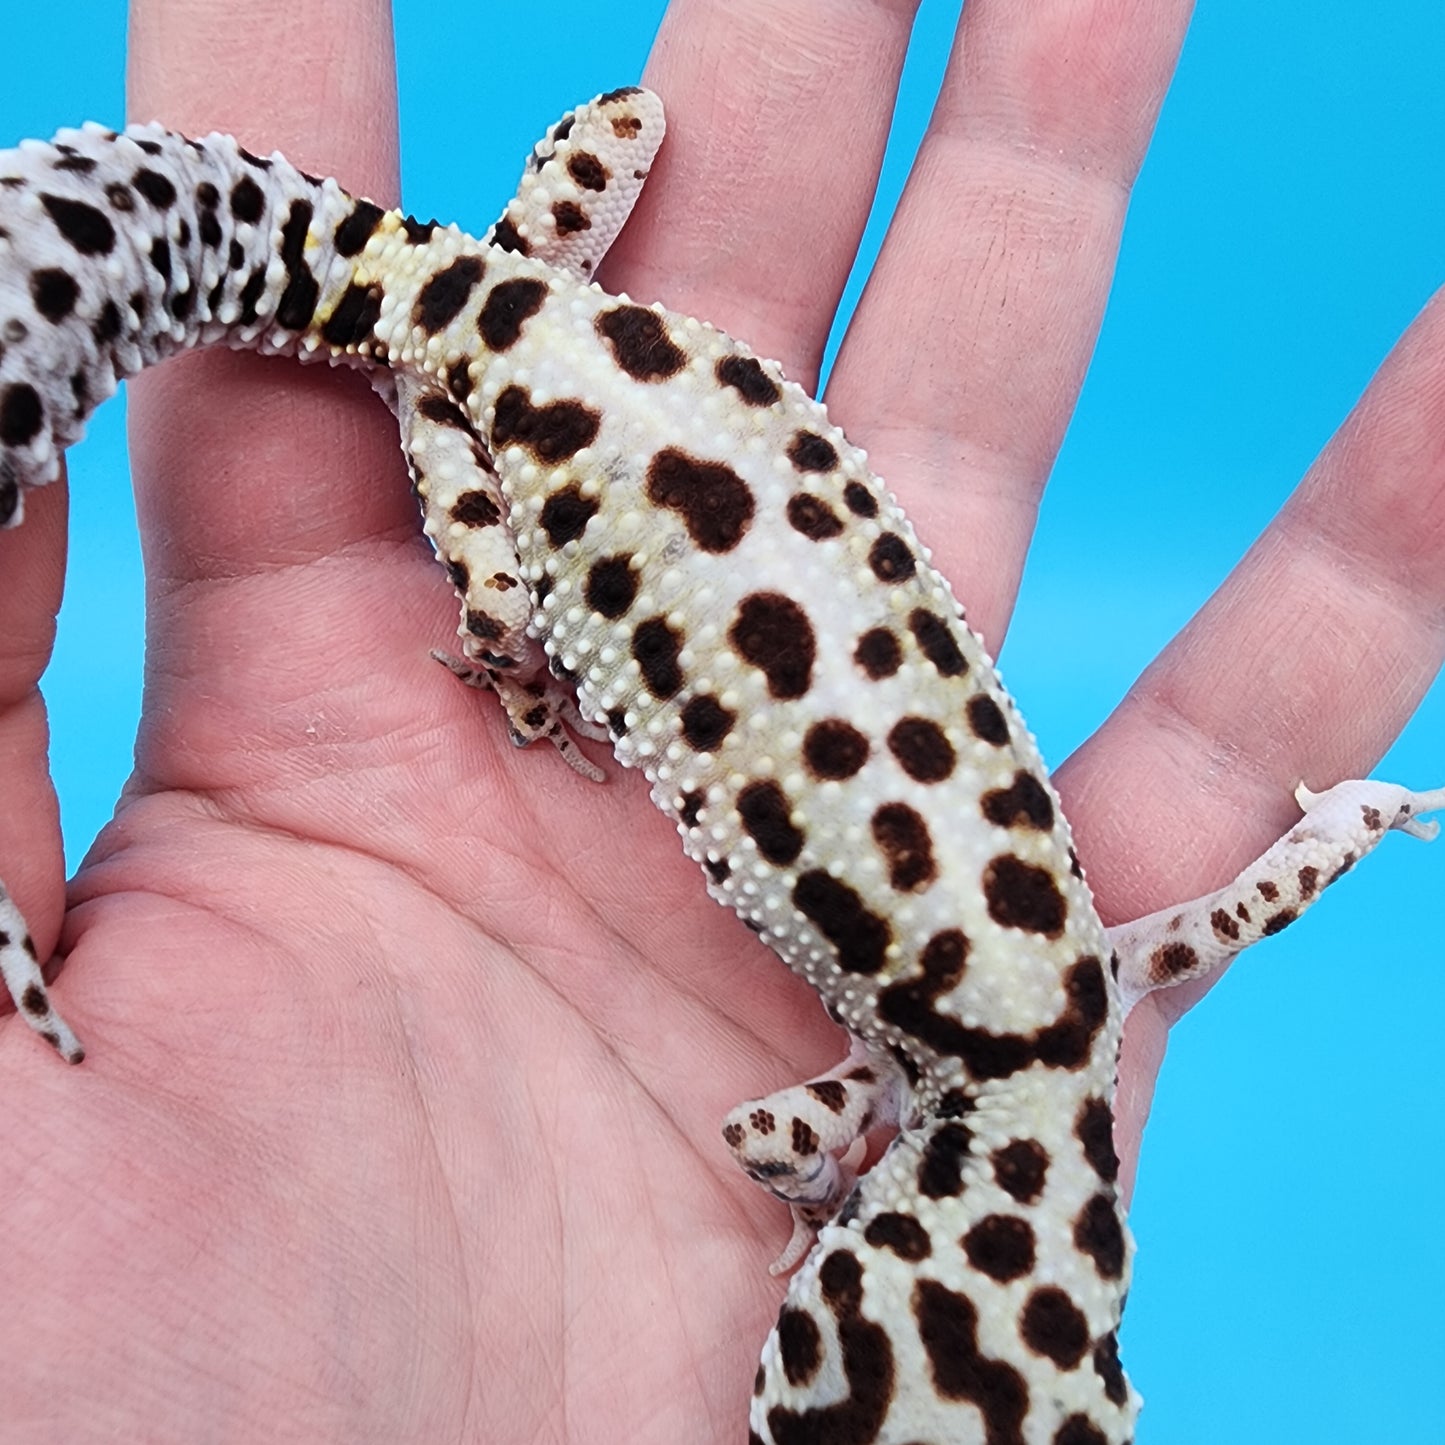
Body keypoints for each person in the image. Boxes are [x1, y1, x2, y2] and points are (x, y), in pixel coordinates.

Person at [1, 0, 1441, 1438]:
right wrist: (819, 1197)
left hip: (540, 321)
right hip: (473, 385)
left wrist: (1346, 825)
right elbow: (772, 1140)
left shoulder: (1095, 998)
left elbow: (1232, 913)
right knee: (506, 619)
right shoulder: (926, 1080)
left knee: (629, 136)